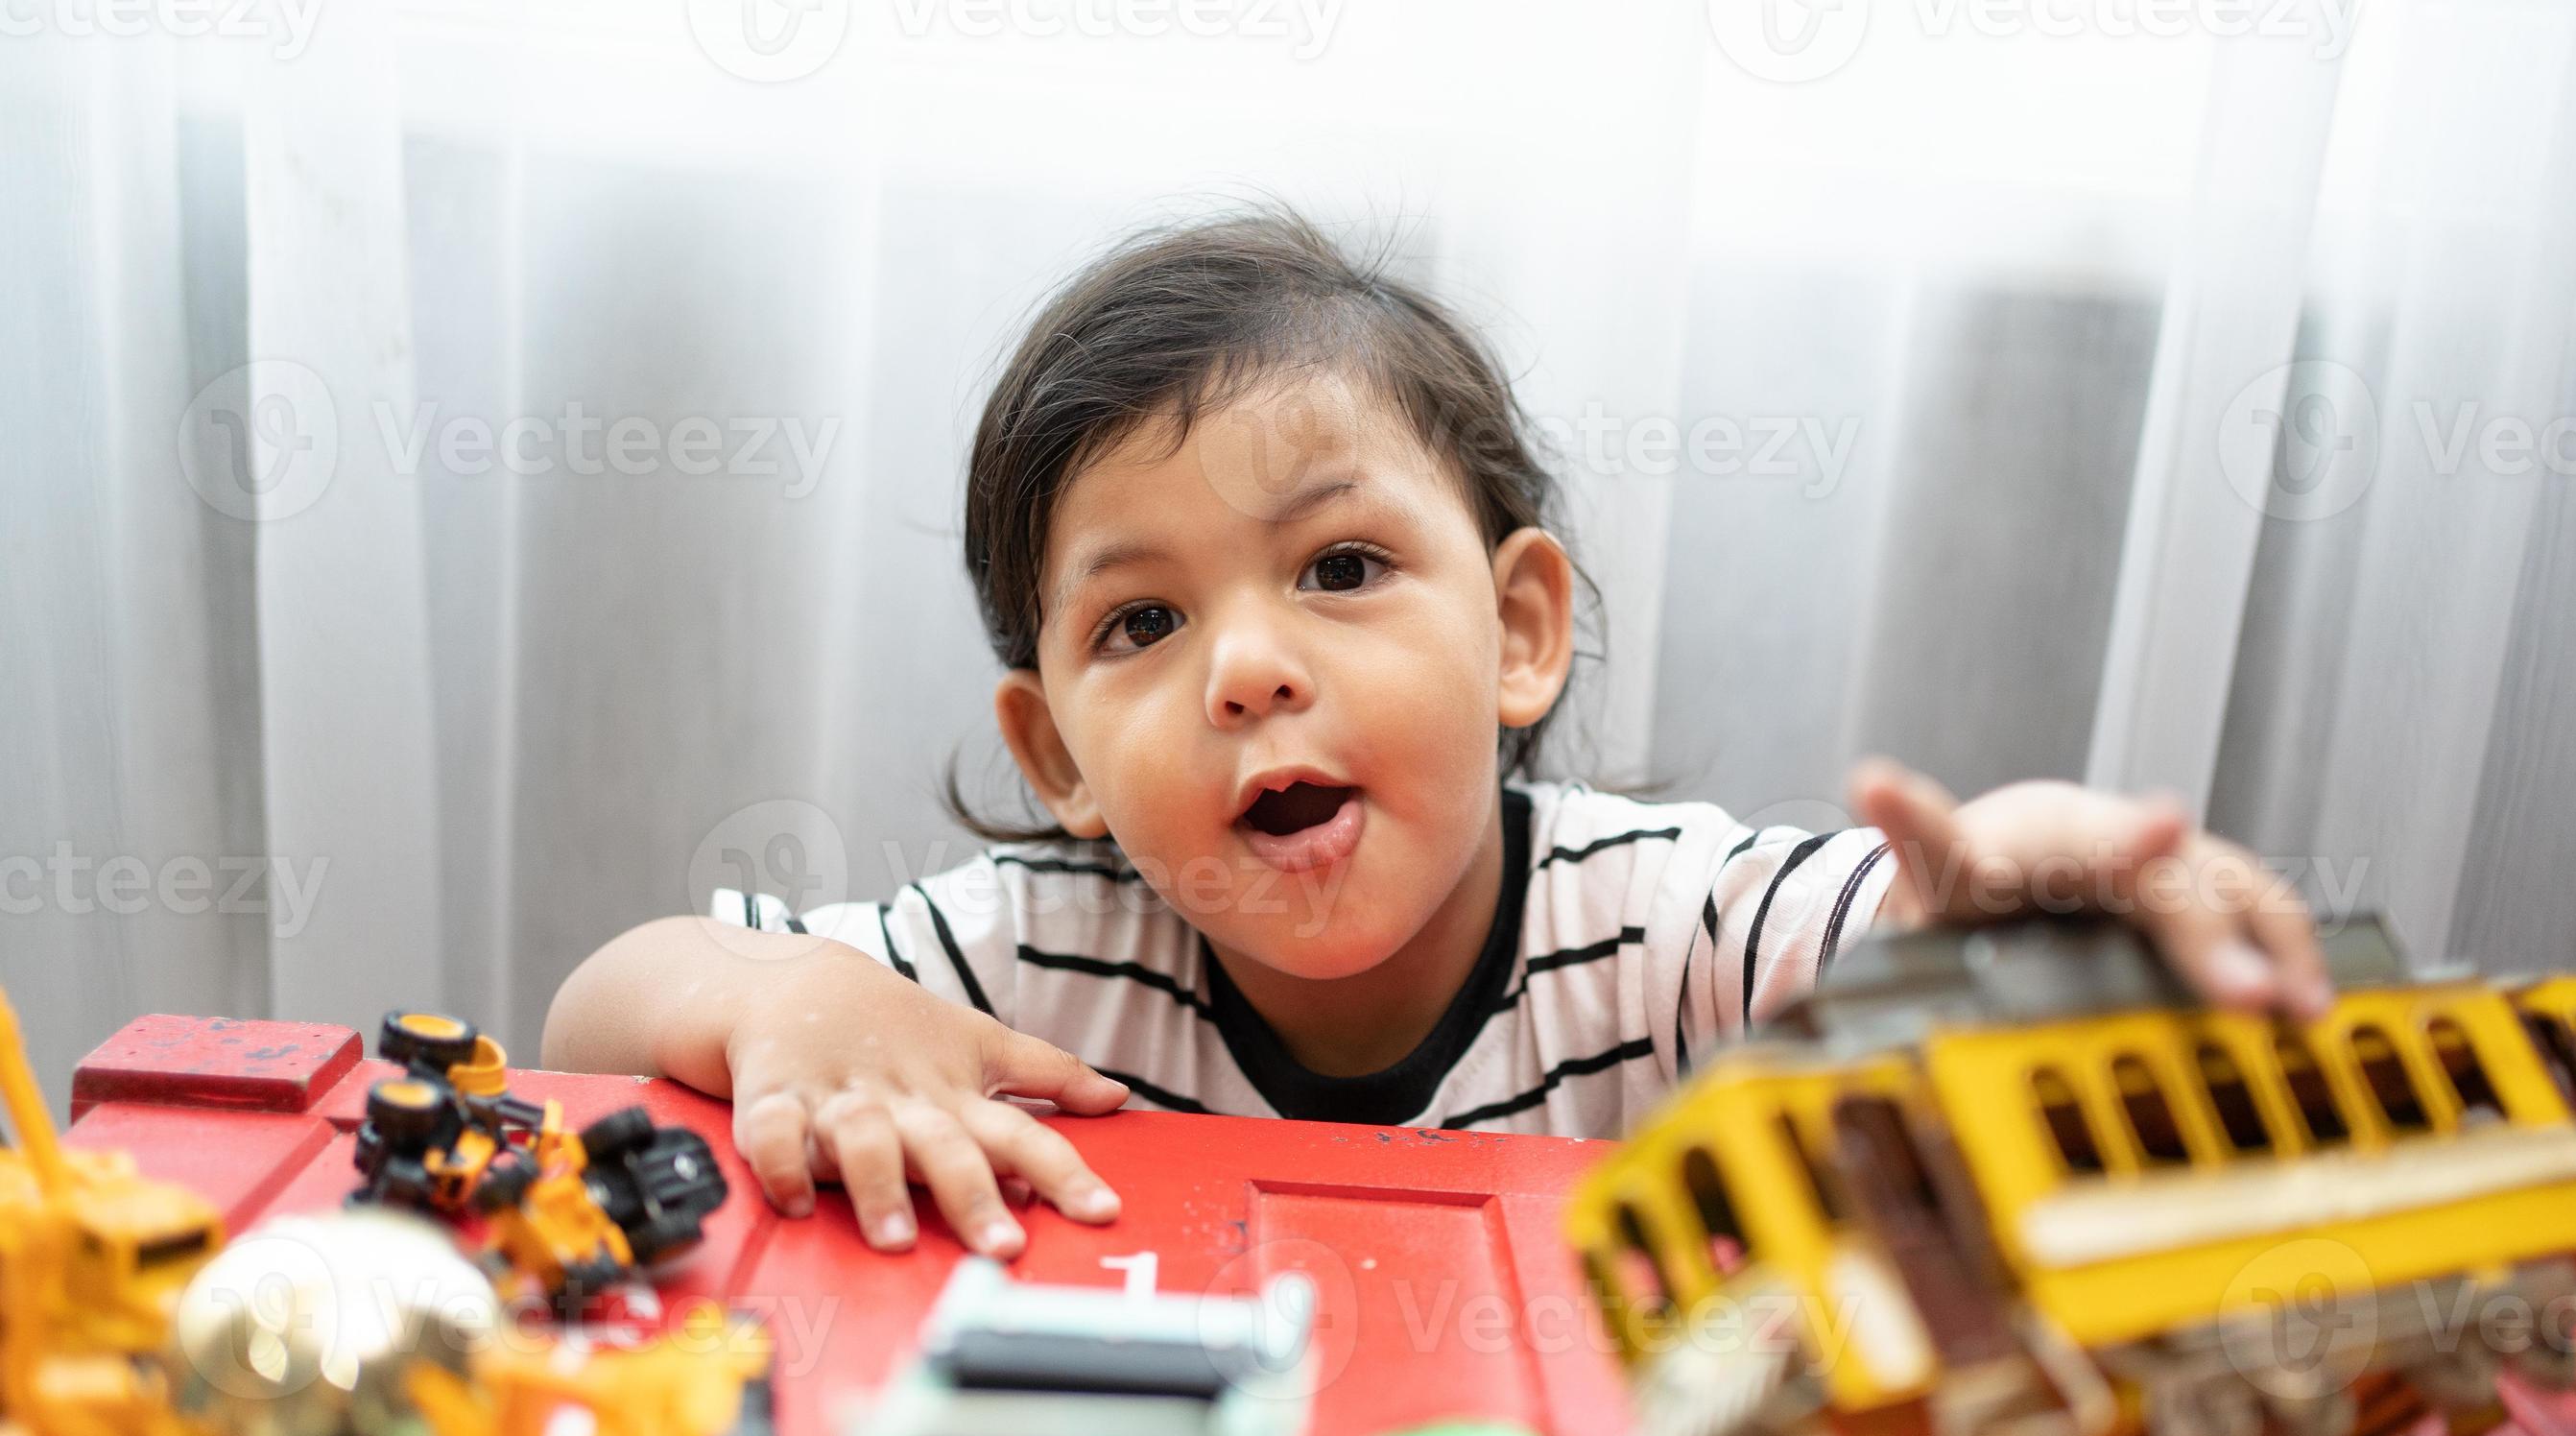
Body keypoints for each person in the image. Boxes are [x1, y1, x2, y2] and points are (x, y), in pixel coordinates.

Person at [544, 210, 2330, 1258]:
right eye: (1143, 623)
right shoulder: (1023, 973)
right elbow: (599, 1008)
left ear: (1522, 630)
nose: (1246, 668)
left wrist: (2034, 874)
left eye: (1339, 565)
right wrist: (780, 1005)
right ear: (1060, 759)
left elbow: (1908, 930)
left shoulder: (1660, 924)